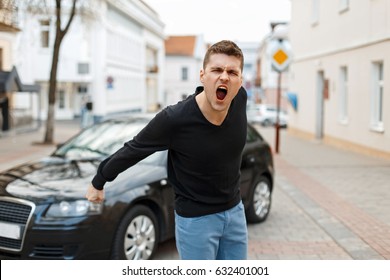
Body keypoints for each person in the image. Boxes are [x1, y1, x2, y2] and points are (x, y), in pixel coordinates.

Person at [86, 40, 248, 260]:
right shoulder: (175, 119)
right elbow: (135, 148)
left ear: (240, 80)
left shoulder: (240, 99)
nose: (224, 77)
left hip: (235, 214)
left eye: (232, 72)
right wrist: (100, 179)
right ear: (202, 75)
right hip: (196, 221)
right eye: (217, 70)